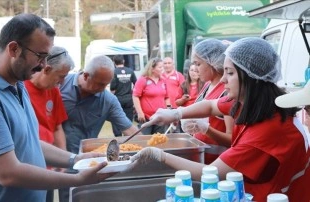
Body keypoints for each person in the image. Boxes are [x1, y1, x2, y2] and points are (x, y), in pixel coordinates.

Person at [0, 14, 113, 202]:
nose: (44, 65)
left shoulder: (17, 86)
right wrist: (77, 179)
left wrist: (75, 159)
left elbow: (28, 143)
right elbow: (8, 173)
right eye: (40, 56)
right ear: (14, 49)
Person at [131, 37, 310, 201]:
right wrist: (176, 113)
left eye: (230, 73)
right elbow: (211, 105)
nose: (223, 79)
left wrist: (159, 155)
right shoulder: (249, 101)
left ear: (251, 78)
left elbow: (211, 173)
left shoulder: (267, 130)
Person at [59, 55, 141, 202]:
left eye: (106, 85)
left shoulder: (108, 100)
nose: (103, 89)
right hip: (57, 158)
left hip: (85, 162)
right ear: (85, 76)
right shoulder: (60, 84)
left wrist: (149, 148)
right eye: (100, 84)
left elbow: (129, 129)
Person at [24, 46, 73, 202]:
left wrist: (64, 156)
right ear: (46, 69)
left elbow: (57, 127)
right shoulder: (21, 88)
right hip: (28, 166)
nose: (62, 82)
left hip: (48, 165)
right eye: (60, 76)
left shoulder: (54, 91)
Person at [183, 38, 233, 164]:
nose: (195, 69)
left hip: (218, 164)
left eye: (198, 64)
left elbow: (232, 139)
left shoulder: (226, 91)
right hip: (201, 158)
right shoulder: (207, 85)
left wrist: (205, 129)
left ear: (213, 62)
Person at [132, 57, 170, 135]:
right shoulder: (143, 80)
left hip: (160, 117)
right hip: (146, 117)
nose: (163, 69)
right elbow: (135, 96)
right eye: (160, 67)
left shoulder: (163, 80)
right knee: (145, 139)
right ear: (152, 69)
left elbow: (166, 97)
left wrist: (168, 110)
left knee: (158, 140)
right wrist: (139, 112)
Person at [110, 55, 137, 137]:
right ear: (123, 61)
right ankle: (128, 137)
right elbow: (136, 84)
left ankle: (118, 137)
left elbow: (112, 88)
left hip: (118, 99)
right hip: (129, 99)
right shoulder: (130, 71)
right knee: (128, 119)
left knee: (115, 118)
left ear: (114, 62)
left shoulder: (114, 72)